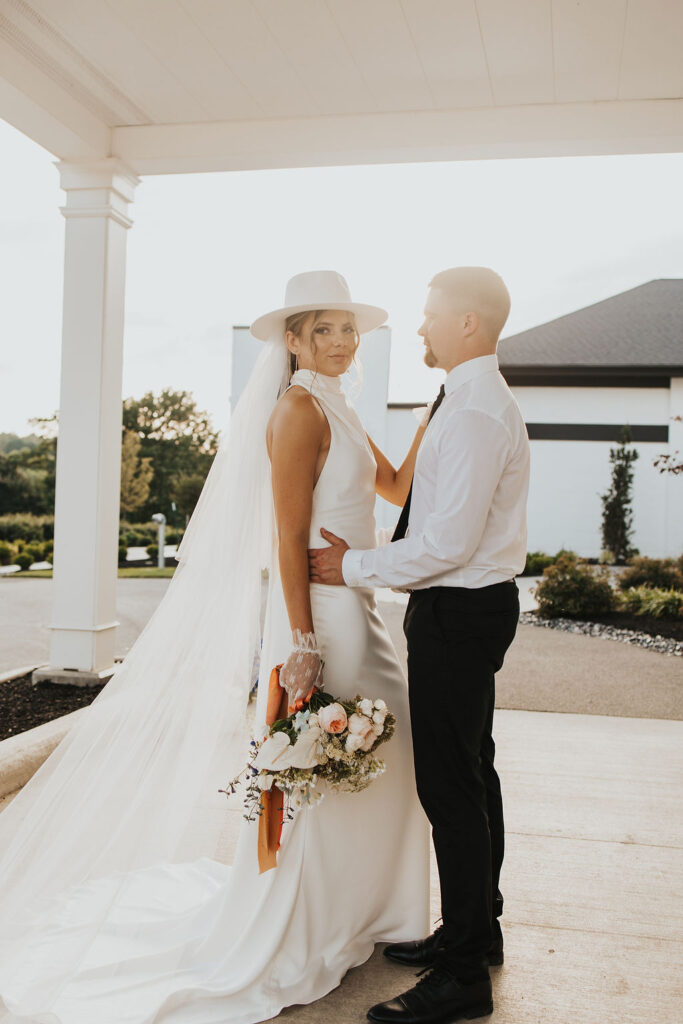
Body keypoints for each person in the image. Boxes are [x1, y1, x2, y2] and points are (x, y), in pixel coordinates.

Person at [0, 270, 431, 1023]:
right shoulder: (297, 410)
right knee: (314, 771)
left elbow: (394, 487)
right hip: (320, 618)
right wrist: (299, 641)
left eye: (347, 328)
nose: (339, 341)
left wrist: (439, 409)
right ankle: (299, 919)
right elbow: (287, 537)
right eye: (322, 328)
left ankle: (365, 913)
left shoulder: (342, 405)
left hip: (364, 613)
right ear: (292, 339)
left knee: (381, 763)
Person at [309, 266, 531, 1024]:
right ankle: (478, 929)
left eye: (432, 314)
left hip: (458, 608)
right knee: (472, 770)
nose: (422, 326)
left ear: (467, 323)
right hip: (464, 607)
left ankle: (464, 973)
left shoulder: (473, 412)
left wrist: (353, 567)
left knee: (449, 788)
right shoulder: (460, 399)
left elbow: (444, 543)